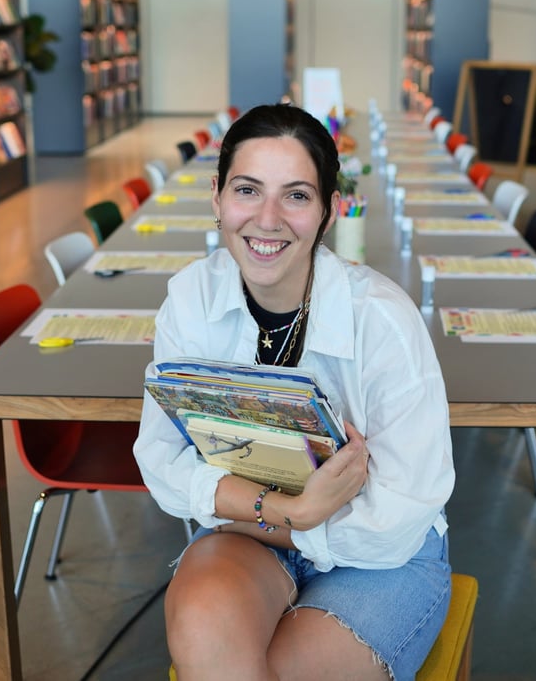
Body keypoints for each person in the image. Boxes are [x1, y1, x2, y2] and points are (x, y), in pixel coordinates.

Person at [134, 103, 455, 681]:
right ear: (217, 197)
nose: (267, 218)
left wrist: (255, 512)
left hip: (381, 558)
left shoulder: (382, 319)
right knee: (207, 630)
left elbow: (399, 514)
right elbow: (161, 463)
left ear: (330, 211)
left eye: (297, 195)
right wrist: (290, 510)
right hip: (257, 533)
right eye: (248, 189)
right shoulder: (189, 301)